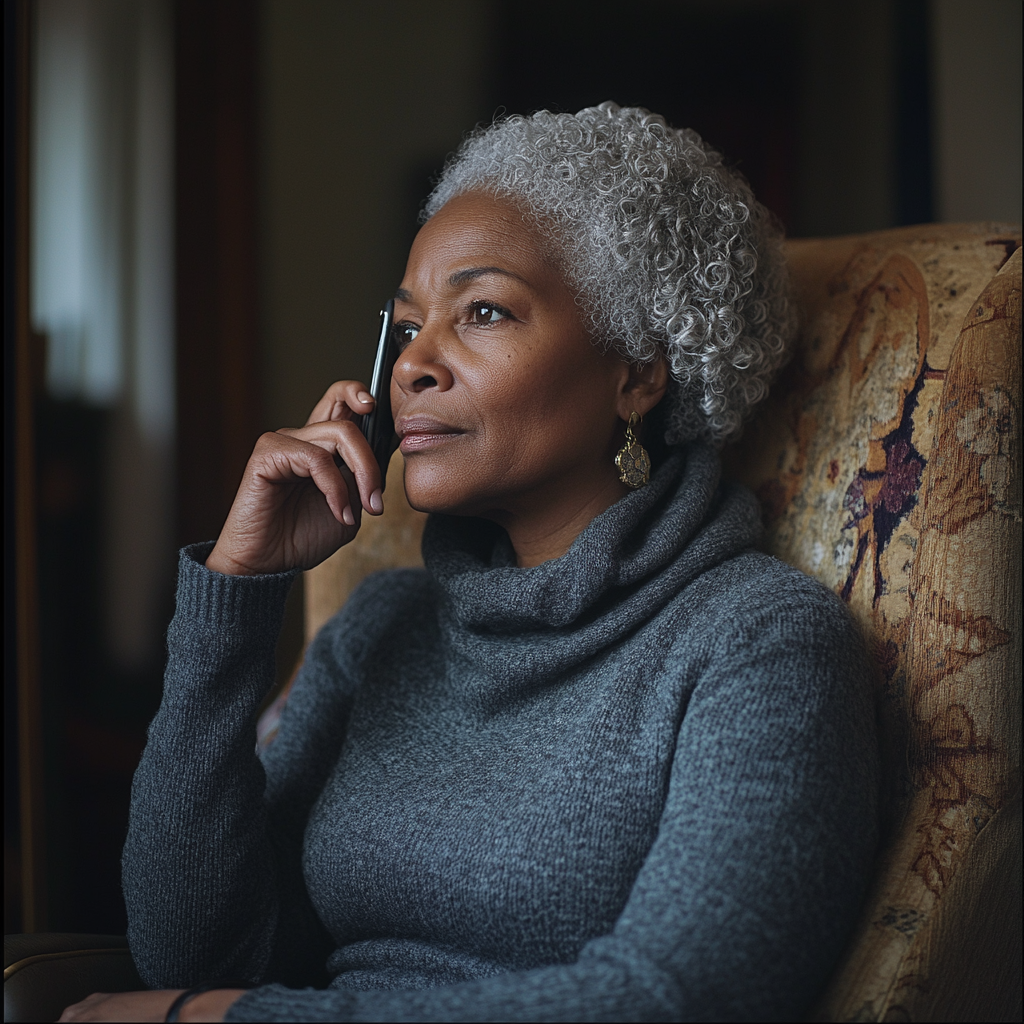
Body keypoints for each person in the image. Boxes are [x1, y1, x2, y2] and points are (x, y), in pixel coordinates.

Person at [61, 102, 878, 1023]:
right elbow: (198, 952)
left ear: (638, 374)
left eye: (483, 311)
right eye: (407, 326)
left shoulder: (760, 644)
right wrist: (238, 596)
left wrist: (225, 1021)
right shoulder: (379, 628)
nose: (414, 365)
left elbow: (678, 1000)